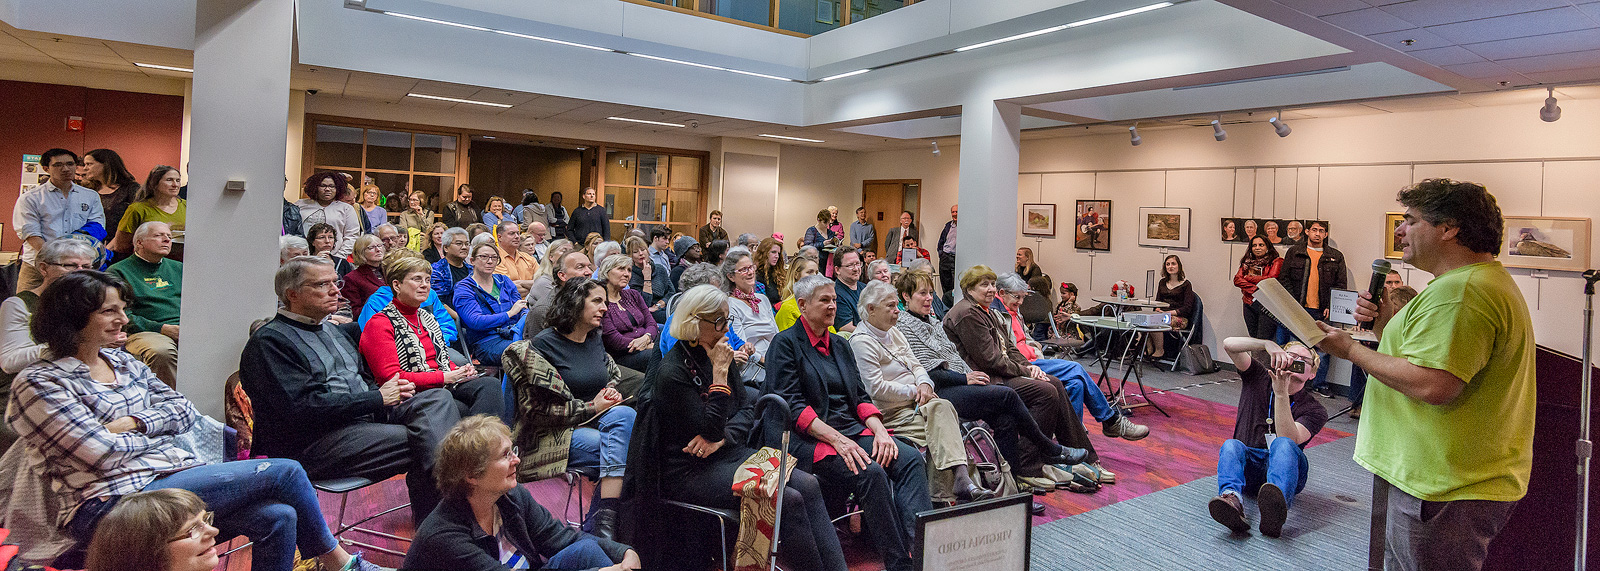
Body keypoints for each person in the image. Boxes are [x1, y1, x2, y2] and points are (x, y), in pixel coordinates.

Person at [24, 271, 382, 571]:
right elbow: (99, 452)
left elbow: (182, 412)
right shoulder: (40, 382)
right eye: (109, 311)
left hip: (170, 480)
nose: (124, 319)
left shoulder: (124, 362)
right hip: (110, 503)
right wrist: (153, 430)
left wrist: (132, 423)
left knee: (279, 516)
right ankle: (339, 563)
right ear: (71, 318)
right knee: (286, 471)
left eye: (123, 309)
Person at [1315, 179, 1533, 571]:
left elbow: (1434, 383)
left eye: (1409, 220)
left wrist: (1349, 350)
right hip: (1438, 476)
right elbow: (1414, 360)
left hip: (1446, 485)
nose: (1398, 230)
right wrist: (1384, 324)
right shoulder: (1468, 284)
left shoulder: (1462, 293)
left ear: (1449, 228)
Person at [627, 285, 847, 571]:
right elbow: (711, 426)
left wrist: (722, 440)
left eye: (726, 320)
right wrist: (719, 376)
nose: (725, 329)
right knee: (787, 497)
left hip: (724, 452)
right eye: (719, 321)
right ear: (695, 322)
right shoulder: (672, 372)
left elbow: (747, 410)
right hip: (688, 469)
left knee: (809, 483)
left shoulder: (719, 351)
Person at [244, 257, 465, 528]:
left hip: (361, 423)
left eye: (335, 283)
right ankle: (451, 518)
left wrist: (389, 392)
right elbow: (302, 408)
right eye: (322, 285)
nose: (336, 290)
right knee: (428, 437)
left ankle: (442, 522)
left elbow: (362, 380)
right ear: (292, 294)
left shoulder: (335, 331)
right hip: (313, 442)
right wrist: (378, 397)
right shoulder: (270, 342)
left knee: (439, 399)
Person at [764, 274, 930, 571]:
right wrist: (838, 441)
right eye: (824, 300)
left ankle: (923, 551)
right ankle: (898, 563)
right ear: (802, 305)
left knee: (908, 460)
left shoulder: (841, 345)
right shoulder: (785, 344)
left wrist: (880, 432)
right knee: (871, 472)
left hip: (852, 430)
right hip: (808, 439)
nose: (832, 306)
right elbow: (792, 405)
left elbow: (861, 396)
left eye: (835, 300)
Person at [892, 270, 1078, 484]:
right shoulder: (905, 325)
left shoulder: (932, 321)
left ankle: (1014, 484)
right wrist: (966, 378)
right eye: (922, 293)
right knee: (1009, 396)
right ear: (906, 296)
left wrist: (1021, 367)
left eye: (931, 293)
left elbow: (988, 352)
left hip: (960, 381)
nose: (929, 298)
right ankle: (1049, 448)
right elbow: (930, 373)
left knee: (1005, 418)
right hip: (938, 392)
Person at [405, 416, 639, 571]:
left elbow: (561, 538)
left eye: (512, 450)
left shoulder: (511, 496)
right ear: (472, 475)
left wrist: (623, 552)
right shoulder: (443, 537)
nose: (516, 460)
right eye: (505, 455)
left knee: (588, 550)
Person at [944, 266, 1103, 488]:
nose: (991, 290)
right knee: (1046, 391)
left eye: (992, 284)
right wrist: (1026, 371)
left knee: (1053, 382)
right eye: (984, 285)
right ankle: (1029, 464)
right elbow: (990, 360)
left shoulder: (987, 311)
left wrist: (1030, 366)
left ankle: (1082, 457)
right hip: (985, 379)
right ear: (969, 289)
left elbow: (1010, 347)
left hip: (1000, 373)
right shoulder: (967, 314)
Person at [508, 278, 636, 539]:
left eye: (605, 301)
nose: (605, 307)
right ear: (576, 304)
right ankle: (604, 525)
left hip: (598, 421)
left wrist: (610, 393)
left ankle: (601, 524)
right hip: (553, 433)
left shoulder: (593, 339)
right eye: (597, 301)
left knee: (625, 416)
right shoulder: (542, 347)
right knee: (629, 452)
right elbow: (535, 413)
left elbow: (608, 376)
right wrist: (592, 406)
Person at [851, 281, 989, 504]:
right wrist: (915, 391)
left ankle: (945, 495)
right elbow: (875, 388)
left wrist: (925, 385)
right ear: (870, 309)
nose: (898, 311)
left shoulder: (894, 332)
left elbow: (917, 366)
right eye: (891, 306)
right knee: (943, 421)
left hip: (918, 405)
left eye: (897, 305)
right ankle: (959, 481)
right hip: (890, 413)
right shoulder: (861, 342)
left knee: (941, 413)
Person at [992, 273, 1149, 453]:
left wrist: (1035, 349)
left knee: (1076, 384)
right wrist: (1030, 359)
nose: (1020, 302)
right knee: (1075, 368)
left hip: (1034, 358)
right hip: (1024, 365)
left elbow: (1027, 337)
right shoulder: (996, 313)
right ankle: (1111, 420)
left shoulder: (1012, 309)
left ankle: (1072, 443)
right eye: (1017, 297)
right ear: (1002, 292)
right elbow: (1007, 349)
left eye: (1022, 297)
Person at [1208, 337, 1328, 538]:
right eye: (1291, 357)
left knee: (1283, 443)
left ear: (1312, 374)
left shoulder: (1316, 410)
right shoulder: (1258, 376)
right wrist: (1265, 344)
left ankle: (1276, 507)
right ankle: (1232, 500)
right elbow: (1229, 344)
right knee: (1231, 446)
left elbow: (1289, 438)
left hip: (1288, 471)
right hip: (1250, 468)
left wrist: (1281, 394)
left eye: (1303, 361)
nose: (1295, 361)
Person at [360, 255, 502, 420]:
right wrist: (445, 377)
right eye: (417, 279)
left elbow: (440, 359)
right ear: (397, 285)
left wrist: (458, 370)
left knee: (489, 385)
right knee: (454, 404)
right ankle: (477, 442)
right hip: (408, 395)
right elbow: (392, 377)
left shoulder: (426, 317)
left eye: (427, 280)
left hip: (440, 385)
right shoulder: (379, 324)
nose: (424, 285)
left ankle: (490, 441)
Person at [0, 237, 98, 452]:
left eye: (87, 266)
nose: (80, 272)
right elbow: (9, 361)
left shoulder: (90, 307)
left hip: (75, 392)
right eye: (70, 265)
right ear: (43, 268)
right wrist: (71, 344)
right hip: (21, 396)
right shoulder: (19, 304)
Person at [13, 149, 104, 291]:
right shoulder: (31, 198)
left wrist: (71, 262)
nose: (66, 169)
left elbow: (96, 228)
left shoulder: (90, 196)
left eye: (70, 164)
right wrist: (57, 261)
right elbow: (31, 234)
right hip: (38, 266)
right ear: (46, 169)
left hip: (78, 268)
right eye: (58, 165)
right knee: (28, 309)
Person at [106, 222, 183, 387]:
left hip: (185, 328)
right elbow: (119, 315)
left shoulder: (180, 269)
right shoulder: (118, 271)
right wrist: (161, 328)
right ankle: (168, 405)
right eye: (158, 236)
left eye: (169, 237)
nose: (166, 240)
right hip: (145, 331)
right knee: (161, 351)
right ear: (139, 243)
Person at [1277, 220, 1347, 393]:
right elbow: (1284, 278)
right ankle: (1295, 382)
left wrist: (1332, 305)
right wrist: (1293, 303)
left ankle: (1319, 384)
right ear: (1307, 232)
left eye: (1321, 230)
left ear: (1326, 234)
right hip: (1299, 308)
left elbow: (1340, 284)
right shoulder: (1295, 252)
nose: (1317, 233)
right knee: (1296, 347)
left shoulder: (1335, 256)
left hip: (1323, 309)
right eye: (1314, 230)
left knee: (1323, 349)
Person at [454, 238, 527, 366]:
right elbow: (475, 321)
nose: (490, 261)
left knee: (547, 345)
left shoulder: (504, 281)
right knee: (530, 353)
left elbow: (522, 308)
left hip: (514, 334)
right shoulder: (464, 288)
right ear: (472, 261)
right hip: (487, 342)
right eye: (484, 257)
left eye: (494, 258)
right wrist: (509, 314)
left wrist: (521, 317)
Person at [722, 250, 776, 385]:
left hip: (774, 358)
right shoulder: (730, 304)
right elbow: (742, 346)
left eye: (751, 267)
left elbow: (776, 334)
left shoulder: (762, 299)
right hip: (753, 366)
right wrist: (765, 360)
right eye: (744, 270)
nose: (751, 272)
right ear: (731, 276)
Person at [110, 165, 185, 261]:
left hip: (180, 263)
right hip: (146, 262)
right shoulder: (138, 209)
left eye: (178, 180)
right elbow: (121, 245)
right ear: (155, 183)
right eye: (169, 180)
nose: (175, 185)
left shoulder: (188, 207)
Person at [598, 253, 658, 372]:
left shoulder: (633, 294)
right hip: (622, 355)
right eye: (621, 269)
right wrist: (645, 345)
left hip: (647, 344)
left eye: (629, 270)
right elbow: (614, 340)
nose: (626, 274)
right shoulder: (600, 301)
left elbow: (651, 323)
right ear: (606, 272)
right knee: (658, 355)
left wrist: (647, 338)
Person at [523, 250, 594, 338]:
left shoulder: (592, 300)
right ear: (562, 276)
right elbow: (538, 348)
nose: (589, 272)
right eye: (580, 267)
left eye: (589, 267)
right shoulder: (544, 310)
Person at [296, 173, 361, 258]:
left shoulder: (346, 209)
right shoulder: (300, 205)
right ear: (315, 187)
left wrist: (338, 257)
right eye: (323, 186)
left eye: (332, 186)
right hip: (302, 257)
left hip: (335, 257)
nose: (327, 189)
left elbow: (352, 236)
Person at [81, 149, 141, 241]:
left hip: (121, 244)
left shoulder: (130, 189)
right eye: (85, 164)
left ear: (105, 165)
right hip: (91, 244)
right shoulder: (88, 189)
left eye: (89, 164)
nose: (85, 168)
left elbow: (136, 222)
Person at [1234, 235, 1282, 340]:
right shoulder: (1247, 262)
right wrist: (1255, 290)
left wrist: (1248, 278)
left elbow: (1270, 279)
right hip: (1248, 303)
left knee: (1264, 338)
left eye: (1261, 245)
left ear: (1267, 247)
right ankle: (1255, 357)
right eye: (1254, 245)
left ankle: (1264, 357)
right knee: (1253, 337)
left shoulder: (1276, 261)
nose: (1257, 248)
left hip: (1266, 304)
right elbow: (1237, 280)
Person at [1154, 254, 1199, 357]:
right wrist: (1157, 309)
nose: (1170, 266)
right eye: (1168, 264)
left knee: (1156, 321)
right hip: (1162, 315)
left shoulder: (1186, 284)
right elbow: (1157, 301)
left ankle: (1159, 350)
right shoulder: (1162, 282)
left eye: (1173, 264)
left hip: (1180, 318)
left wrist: (1167, 313)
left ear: (1179, 266)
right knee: (1146, 320)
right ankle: (1149, 349)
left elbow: (1187, 308)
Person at [626, 236, 670, 322]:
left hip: (663, 307)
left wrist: (660, 304)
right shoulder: (630, 275)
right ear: (631, 256)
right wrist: (647, 278)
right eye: (635, 252)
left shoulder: (660, 269)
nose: (641, 253)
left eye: (643, 249)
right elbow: (644, 303)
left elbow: (671, 292)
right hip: (646, 314)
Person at [774, 256, 822, 333]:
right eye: (810, 272)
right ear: (796, 275)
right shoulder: (788, 308)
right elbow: (789, 342)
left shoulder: (819, 304)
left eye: (816, 273)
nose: (815, 277)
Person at [341, 234, 387, 311]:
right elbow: (353, 311)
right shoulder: (352, 278)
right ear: (361, 252)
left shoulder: (389, 271)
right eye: (371, 247)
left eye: (379, 245)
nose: (378, 250)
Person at [431, 227, 473, 311]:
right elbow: (438, 302)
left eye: (467, 244)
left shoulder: (472, 270)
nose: (464, 247)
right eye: (459, 243)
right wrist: (457, 318)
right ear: (446, 248)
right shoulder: (437, 270)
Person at [492, 221, 539, 296]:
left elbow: (542, 283)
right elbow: (505, 288)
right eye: (512, 233)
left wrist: (520, 283)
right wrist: (533, 287)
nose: (517, 236)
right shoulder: (493, 259)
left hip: (532, 304)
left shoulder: (529, 258)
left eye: (518, 233)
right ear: (499, 237)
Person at [831, 246, 866, 332]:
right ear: (837, 270)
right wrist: (874, 335)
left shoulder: (865, 288)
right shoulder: (835, 294)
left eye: (858, 264)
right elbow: (845, 328)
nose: (856, 269)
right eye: (850, 265)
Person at [936, 205, 958, 295]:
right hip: (945, 257)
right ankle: (946, 303)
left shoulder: (965, 226)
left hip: (956, 258)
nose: (955, 214)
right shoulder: (948, 226)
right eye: (953, 212)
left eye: (956, 212)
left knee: (955, 284)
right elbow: (941, 241)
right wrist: (941, 253)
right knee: (945, 283)